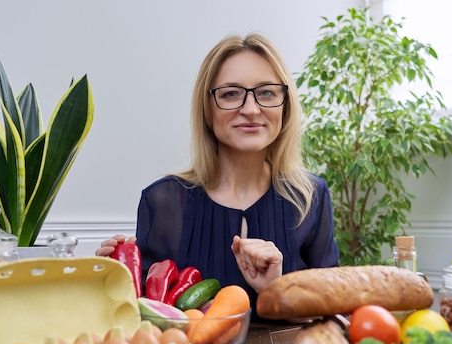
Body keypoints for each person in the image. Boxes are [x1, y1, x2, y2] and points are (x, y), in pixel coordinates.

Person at [96, 33, 339, 321]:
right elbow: (144, 320)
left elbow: (331, 312)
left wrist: (276, 290)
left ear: (285, 107)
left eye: (267, 93)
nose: (250, 109)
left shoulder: (310, 197)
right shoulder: (163, 202)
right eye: (230, 94)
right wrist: (108, 284)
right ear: (207, 110)